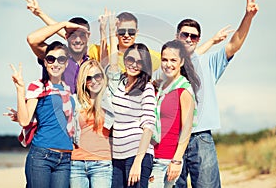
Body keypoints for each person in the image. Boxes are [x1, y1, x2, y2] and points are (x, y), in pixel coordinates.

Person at [174, 0, 259, 188]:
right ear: (177, 36)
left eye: (193, 36)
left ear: (198, 39)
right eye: (184, 34)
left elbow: (234, 43)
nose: (188, 39)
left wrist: (248, 17)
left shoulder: (209, 63)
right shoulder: (168, 65)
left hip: (200, 138)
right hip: (172, 138)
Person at [9, 41, 76, 188]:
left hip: (65, 158)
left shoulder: (68, 89)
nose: (56, 63)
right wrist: (20, 89)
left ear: (66, 64)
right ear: (45, 62)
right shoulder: (38, 86)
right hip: (42, 155)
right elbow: (25, 120)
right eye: (51, 59)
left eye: (61, 59)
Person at [106, 13, 156, 188]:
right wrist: (112, 33)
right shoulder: (118, 82)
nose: (133, 64)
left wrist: (138, 162)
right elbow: (112, 62)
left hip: (138, 155)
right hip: (117, 156)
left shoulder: (147, 88)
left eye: (139, 61)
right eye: (130, 59)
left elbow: (148, 127)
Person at [148, 40, 200, 188]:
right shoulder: (161, 87)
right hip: (152, 155)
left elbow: (187, 129)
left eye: (173, 60)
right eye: (164, 60)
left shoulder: (184, 90)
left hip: (166, 159)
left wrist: (177, 160)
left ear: (182, 62)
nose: (168, 64)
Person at [70, 59, 112, 188]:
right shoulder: (75, 100)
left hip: (102, 163)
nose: (93, 81)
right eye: (88, 78)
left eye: (97, 76)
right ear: (83, 81)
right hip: (76, 163)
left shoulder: (110, 98)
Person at [26, 19, 90, 94]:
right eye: (73, 35)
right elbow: (32, 40)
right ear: (66, 36)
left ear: (88, 37)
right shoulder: (57, 57)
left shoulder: (91, 61)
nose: (78, 40)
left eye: (82, 35)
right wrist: (63, 24)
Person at [89, 10, 161, 72]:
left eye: (131, 31)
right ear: (116, 33)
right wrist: (102, 28)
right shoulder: (102, 50)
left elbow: (170, 54)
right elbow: (81, 46)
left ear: (137, 32)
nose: (126, 35)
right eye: (122, 31)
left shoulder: (147, 55)